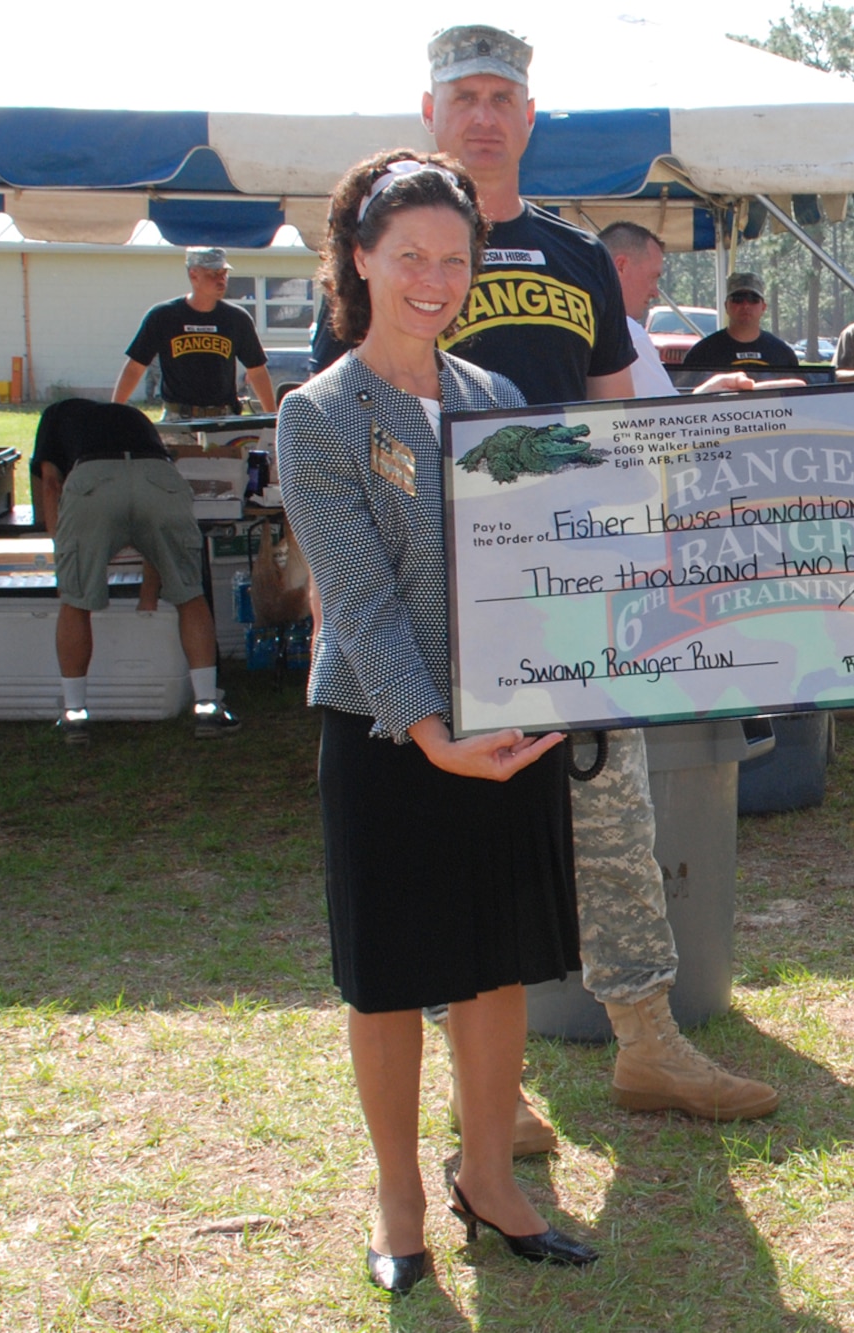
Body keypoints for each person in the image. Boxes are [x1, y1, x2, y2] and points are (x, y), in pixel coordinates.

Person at [414, 25, 779, 1139]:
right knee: (461, 822)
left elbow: (625, 419)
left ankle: (648, 1045)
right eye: (463, 95)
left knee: (609, 809)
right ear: (430, 112)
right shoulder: (400, 241)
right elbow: (366, 414)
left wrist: (701, 421)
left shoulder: (575, 257)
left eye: (502, 96)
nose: (483, 114)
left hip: (580, 584)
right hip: (449, 583)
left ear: (529, 117)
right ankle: (490, 1081)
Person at [277, 150, 597, 1297]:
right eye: (407, 255)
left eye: (451, 259)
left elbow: (566, 533)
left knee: (495, 967)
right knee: (388, 980)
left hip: (504, 726)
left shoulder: (497, 401)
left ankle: (494, 1181)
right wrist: (428, 733)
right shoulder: (317, 414)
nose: (432, 278)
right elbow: (354, 598)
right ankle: (400, 1196)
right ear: (358, 260)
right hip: (387, 738)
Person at [31, 398, 240, 744]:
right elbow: (144, 509)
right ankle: (208, 706)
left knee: (75, 601)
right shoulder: (132, 417)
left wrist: (63, 556)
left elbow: (51, 484)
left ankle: (74, 714)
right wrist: (148, 596)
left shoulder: (54, 415)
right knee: (190, 594)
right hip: (159, 478)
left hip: (93, 480)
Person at [114, 248, 274, 419]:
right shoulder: (163, 316)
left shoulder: (237, 319)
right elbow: (135, 367)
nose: (221, 280)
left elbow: (256, 370)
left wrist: (274, 418)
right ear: (193, 275)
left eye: (224, 273)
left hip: (223, 418)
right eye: (213, 274)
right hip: (177, 418)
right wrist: (113, 413)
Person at [598, 220, 681, 399]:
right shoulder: (626, 333)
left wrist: (703, 394)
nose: (655, 292)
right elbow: (669, 419)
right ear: (620, 266)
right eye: (653, 277)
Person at [681, 272, 800, 371]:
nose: (745, 305)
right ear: (726, 306)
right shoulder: (701, 354)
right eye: (738, 299)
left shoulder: (783, 354)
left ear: (763, 307)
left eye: (753, 299)